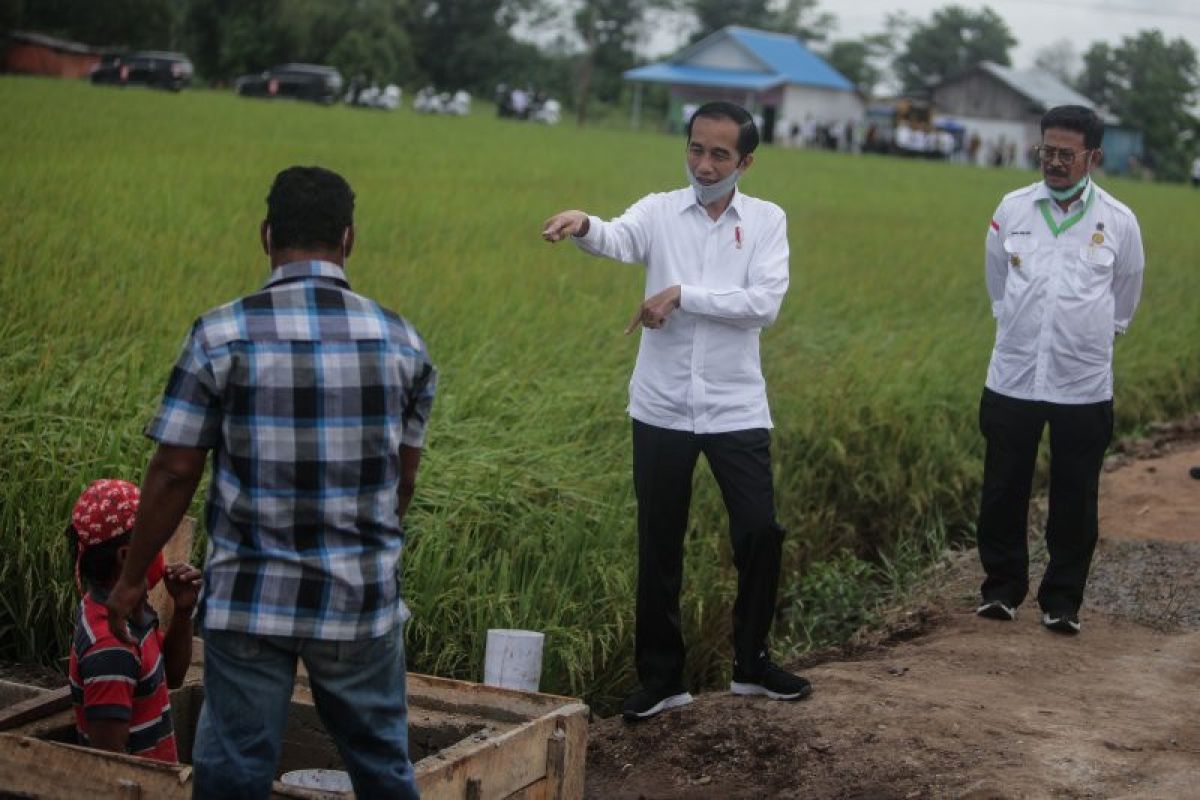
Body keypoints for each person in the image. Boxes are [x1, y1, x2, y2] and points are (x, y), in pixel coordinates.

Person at [106, 166, 436, 798]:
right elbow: (404, 481)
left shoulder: (218, 335)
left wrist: (130, 582)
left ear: (265, 236)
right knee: (383, 768)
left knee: (234, 768)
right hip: (359, 600)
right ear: (348, 240)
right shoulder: (403, 343)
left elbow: (176, 469)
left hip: (250, 598)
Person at [541, 101, 810, 722]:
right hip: (660, 405)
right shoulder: (661, 210)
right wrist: (584, 223)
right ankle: (662, 680)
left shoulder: (767, 221)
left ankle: (752, 664)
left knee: (759, 531)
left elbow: (763, 303)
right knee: (659, 545)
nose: (705, 164)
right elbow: (618, 236)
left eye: (720, 154)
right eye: (696, 149)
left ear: (746, 160)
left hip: (735, 404)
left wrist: (682, 294)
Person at [976, 105, 1144, 635]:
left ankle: (1062, 601)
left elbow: (1124, 299)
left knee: (1076, 495)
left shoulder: (1118, 221)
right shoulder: (1013, 208)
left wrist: (1087, 336)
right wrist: (1021, 331)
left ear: (1092, 157)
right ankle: (1001, 590)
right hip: (1014, 377)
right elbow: (998, 282)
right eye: (1046, 151)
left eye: (1065, 154)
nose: (1053, 162)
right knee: (1003, 488)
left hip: (1082, 382)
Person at [67, 479, 200, 763]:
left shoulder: (129, 613)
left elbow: (172, 676)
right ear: (127, 556)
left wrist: (183, 611)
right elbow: (110, 766)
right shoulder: (111, 647)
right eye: (155, 541)